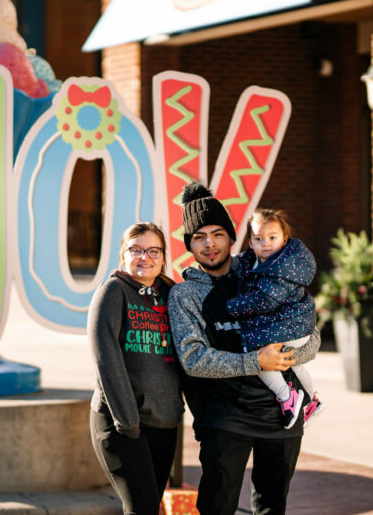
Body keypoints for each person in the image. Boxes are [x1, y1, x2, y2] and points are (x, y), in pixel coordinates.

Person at [168, 182, 321, 515]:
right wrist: (257, 362)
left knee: (271, 508)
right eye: (199, 237)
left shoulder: (261, 272)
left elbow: (312, 335)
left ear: (233, 237)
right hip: (226, 419)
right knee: (217, 507)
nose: (210, 244)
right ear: (189, 245)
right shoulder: (185, 296)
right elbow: (194, 360)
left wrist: (285, 357)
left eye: (218, 234)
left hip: (281, 419)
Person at [87, 222, 184, 515]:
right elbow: (105, 359)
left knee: (149, 508)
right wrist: (128, 423)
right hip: (122, 424)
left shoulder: (171, 296)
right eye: (136, 250)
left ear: (164, 257)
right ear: (123, 255)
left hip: (164, 423)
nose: (145, 257)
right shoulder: (113, 292)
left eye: (153, 250)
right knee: (140, 509)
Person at [226, 208, 324, 430]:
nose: (265, 244)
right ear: (250, 242)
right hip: (293, 324)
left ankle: (286, 397)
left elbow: (264, 300)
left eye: (272, 237)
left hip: (292, 326)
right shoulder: (258, 261)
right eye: (258, 239)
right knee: (296, 367)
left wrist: (231, 306)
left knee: (258, 357)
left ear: (284, 240)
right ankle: (312, 401)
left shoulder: (283, 267)